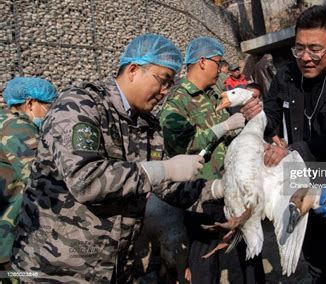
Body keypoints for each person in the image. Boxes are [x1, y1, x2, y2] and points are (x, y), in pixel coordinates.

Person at [11, 34, 204, 283]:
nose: (165, 91)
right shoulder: (81, 105)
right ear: (133, 70)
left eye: (171, 84)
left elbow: (163, 185)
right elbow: (86, 179)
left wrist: (218, 190)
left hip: (111, 267)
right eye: (163, 80)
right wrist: (163, 169)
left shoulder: (148, 125)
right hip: (55, 269)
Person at [159, 36, 265, 284]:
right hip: (202, 192)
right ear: (203, 62)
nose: (220, 70)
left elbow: (230, 136)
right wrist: (224, 127)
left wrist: (244, 123)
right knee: (205, 257)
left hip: (232, 186)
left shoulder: (215, 94)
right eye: (217, 63)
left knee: (250, 247)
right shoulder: (178, 100)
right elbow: (179, 145)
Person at [262, 5, 326, 283]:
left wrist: (294, 151)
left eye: (315, 49)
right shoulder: (286, 76)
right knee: (312, 258)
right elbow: (270, 112)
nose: (306, 58)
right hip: (298, 185)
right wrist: (264, 132)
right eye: (299, 49)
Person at [0, 77, 57, 272]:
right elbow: (41, 177)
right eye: (48, 107)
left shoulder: (3, 120)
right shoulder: (18, 128)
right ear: (30, 103)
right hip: (6, 234)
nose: (51, 113)